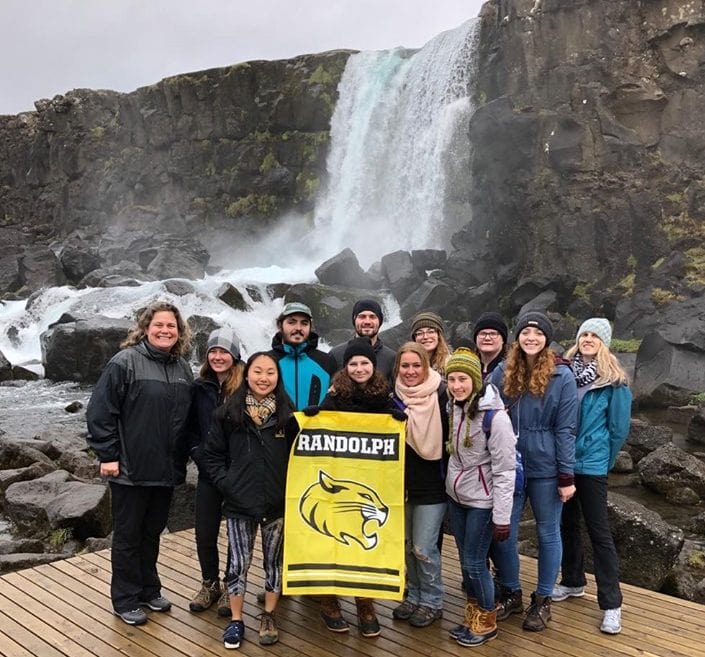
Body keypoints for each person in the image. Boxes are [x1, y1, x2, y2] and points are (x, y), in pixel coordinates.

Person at [86, 301, 193, 626]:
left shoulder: (183, 368)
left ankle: (149, 590)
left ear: (179, 332)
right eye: (159, 325)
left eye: (171, 326)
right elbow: (100, 413)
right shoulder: (125, 363)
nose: (165, 330)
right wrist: (108, 456)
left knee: (151, 534)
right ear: (145, 328)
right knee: (129, 537)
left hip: (165, 470)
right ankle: (125, 599)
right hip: (130, 470)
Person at [489, 311, 578, 632]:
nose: (531, 337)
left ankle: (542, 601)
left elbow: (567, 428)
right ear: (518, 337)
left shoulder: (562, 376)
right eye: (526, 332)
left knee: (547, 532)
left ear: (547, 339)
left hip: (546, 466)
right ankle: (512, 592)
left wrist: (566, 476)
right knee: (504, 531)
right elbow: (481, 408)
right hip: (509, 464)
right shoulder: (502, 371)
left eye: (538, 333)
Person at [309, 337, 401, 637]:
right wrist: (314, 415)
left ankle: (365, 602)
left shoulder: (384, 397)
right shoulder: (335, 396)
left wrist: (397, 420)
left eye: (364, 363)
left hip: (371, 481)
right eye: (353, 364)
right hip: (340, 482)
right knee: (332, 542)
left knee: (365, 545)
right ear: (345, 368)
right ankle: (329, 600)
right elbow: (320, 432)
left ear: (373, 367)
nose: (359, 368)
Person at [204, 352, 295, 649]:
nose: (263, 378)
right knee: (238, 563)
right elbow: (213, 456)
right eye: (258, 371)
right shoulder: (228, 414)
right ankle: (236, 619)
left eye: (270, 372)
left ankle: (269, 615)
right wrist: (227, 484)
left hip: (275, 503)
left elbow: (304, 454)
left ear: (277, 378)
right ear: (246, 375)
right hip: (239, 503)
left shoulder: (289, 417)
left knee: (274, 564)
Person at [552, 318, 632, 635]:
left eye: (595, 336)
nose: (588, 339)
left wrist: (602, 460)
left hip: (592, 465)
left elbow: (618, 430)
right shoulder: (564, 372)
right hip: (564, 463)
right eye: (584, 334)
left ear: (604, 342)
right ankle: (572, 580)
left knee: (599, 533)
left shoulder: (614, 381)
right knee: (566, 524)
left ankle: (612, 604)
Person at [444, 348, 516, 647]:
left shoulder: (495, 419)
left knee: (475, 563)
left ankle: (486, 619)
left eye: (463, 379)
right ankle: (472, 614)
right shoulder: (455, 407)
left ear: (475, 380)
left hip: (482, 502)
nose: (457, 385)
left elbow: (505, 470)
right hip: (457, 496)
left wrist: (502, 516)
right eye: (451, 379)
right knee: (465, 562)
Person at [186, 328, 245, 617]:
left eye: (224, 351)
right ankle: (210, 583)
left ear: (234, 355)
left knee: (236, 533)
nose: (219, 356)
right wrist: (199, 455)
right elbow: (191, 430)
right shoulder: (199, 387)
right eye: (214, 351)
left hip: (237, 473)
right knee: (205, 532)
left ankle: (231, 585)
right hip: (209, 471)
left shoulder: (246, 386)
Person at [391, 342, 449, 628]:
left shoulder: (442, 393)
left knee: (424, 547)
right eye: (405, 366)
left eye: (417, 365)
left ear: (426, 366)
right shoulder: (392, 397)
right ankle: (412, 595)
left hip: (432, 485)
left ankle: (433, 601)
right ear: (397, 368)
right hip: (400, 486)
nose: (411, 371)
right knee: (405, 546)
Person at [269, 301, 337, 410]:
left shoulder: (326, 361)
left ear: (310, 327)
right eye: (292, 322)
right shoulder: (267, 360)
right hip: (277, 426)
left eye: (304, 323)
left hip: (317, 426)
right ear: (280, 325)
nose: (298, 328)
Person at [329, 299, 396, 381]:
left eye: (372, 317)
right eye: (362, 316)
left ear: (380, 321)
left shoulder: (392, 358)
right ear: (354, 320)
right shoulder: (336, 355)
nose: (367, 321)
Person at [411, 311, 451, 377]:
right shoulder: (408, 365)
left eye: (431, 332)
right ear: (414, 338)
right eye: (419, 333)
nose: (425, 337)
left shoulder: (451, 364)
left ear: (439, 335)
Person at [473, 312, 509, 380]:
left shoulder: (512, 369)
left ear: (503, 340)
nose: (487, 338)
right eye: (483, 334)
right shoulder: (467, 366)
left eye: (493, 334)